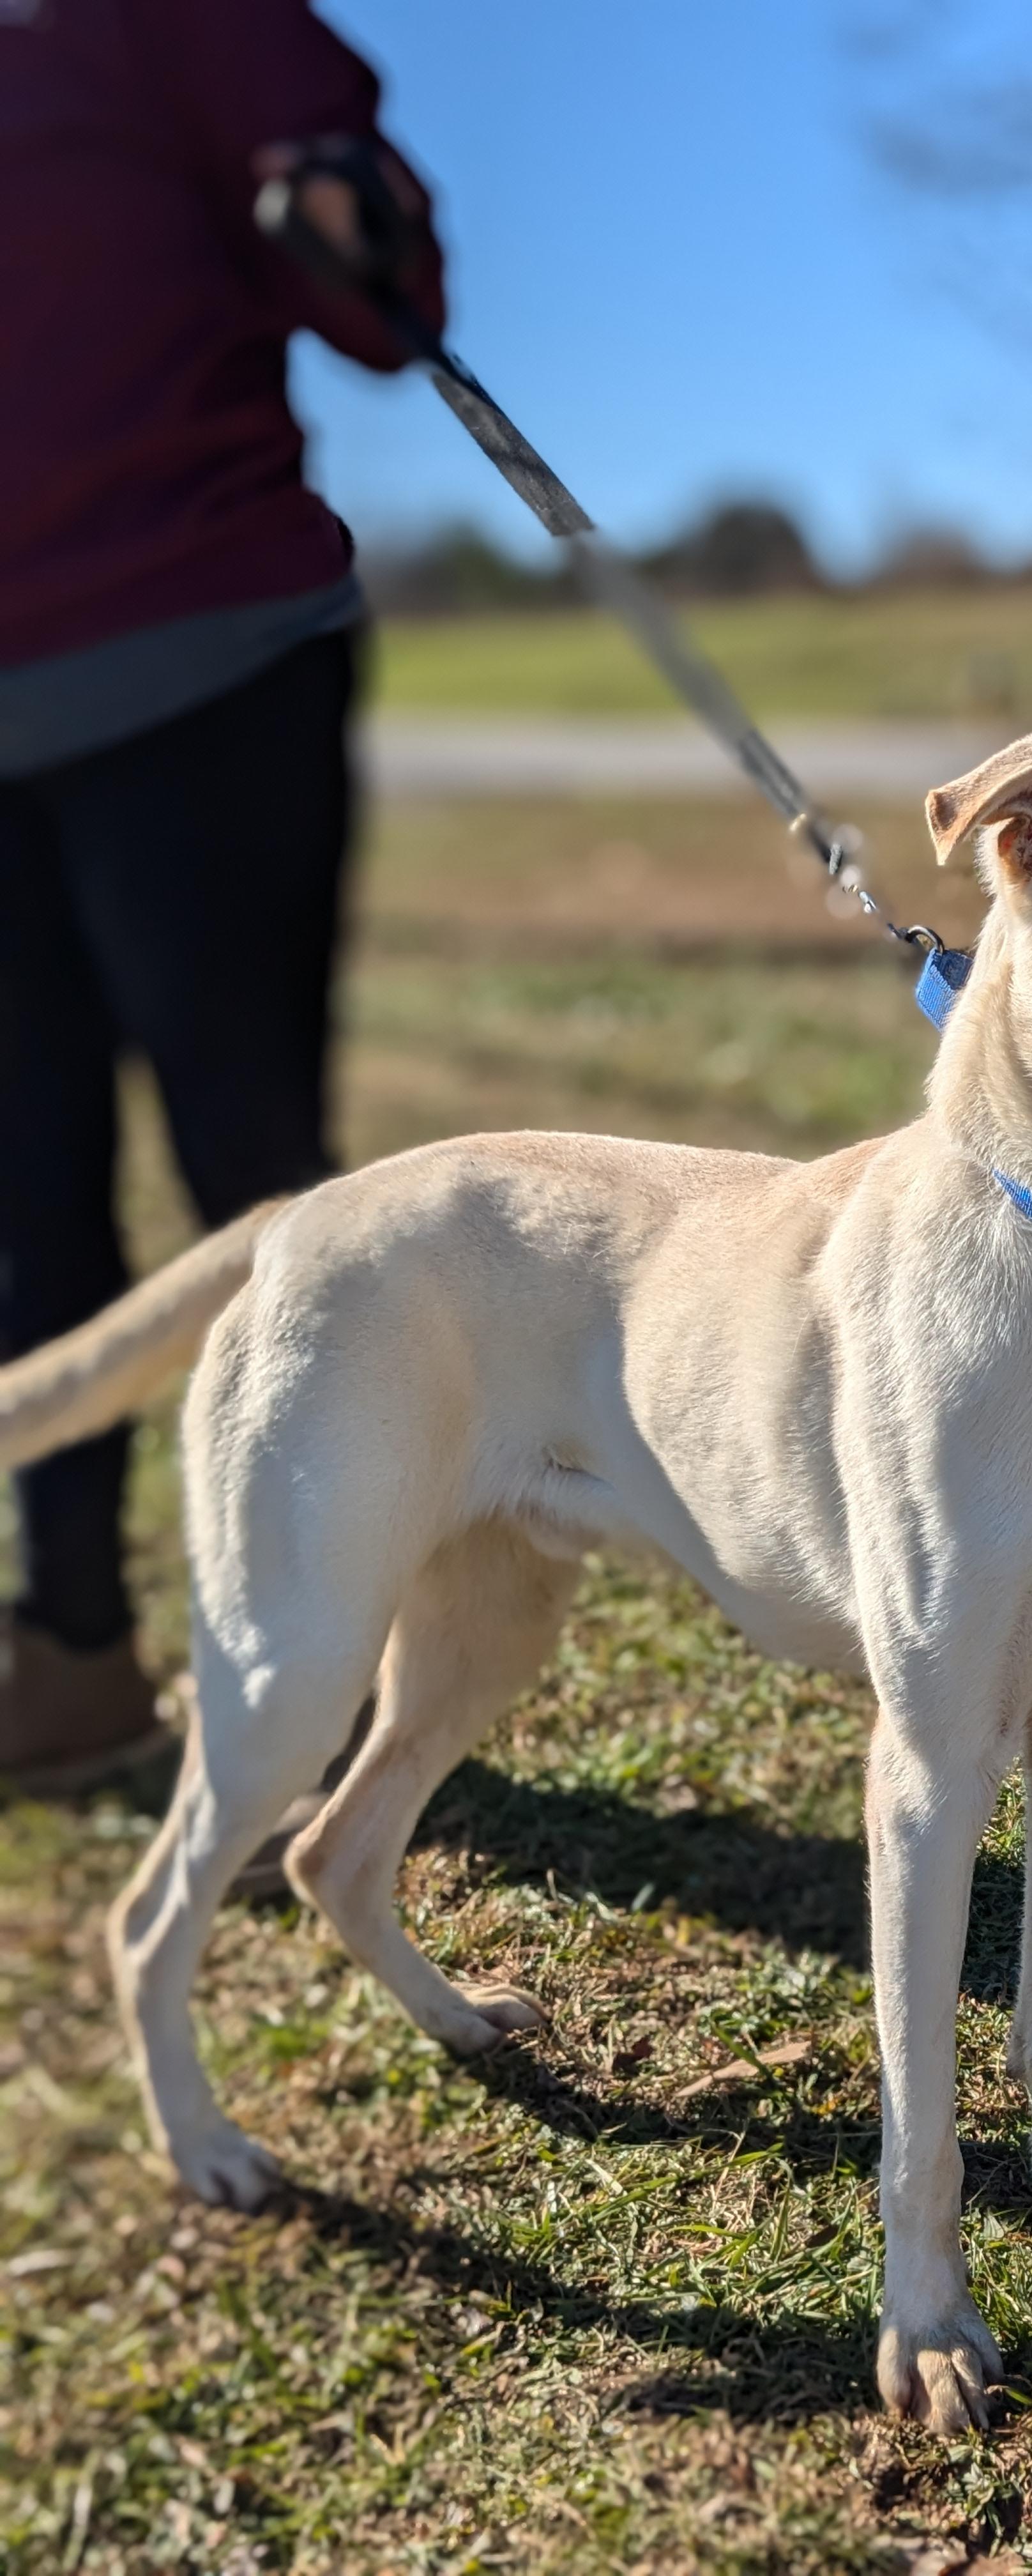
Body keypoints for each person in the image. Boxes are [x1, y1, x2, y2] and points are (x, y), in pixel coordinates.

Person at [0, 0, 443, 1805]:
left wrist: (350, 205)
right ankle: (75, 1653)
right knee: (29, 1208)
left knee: (255, 1185)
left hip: (203, 660)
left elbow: (384, 303)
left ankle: (309, 1679)